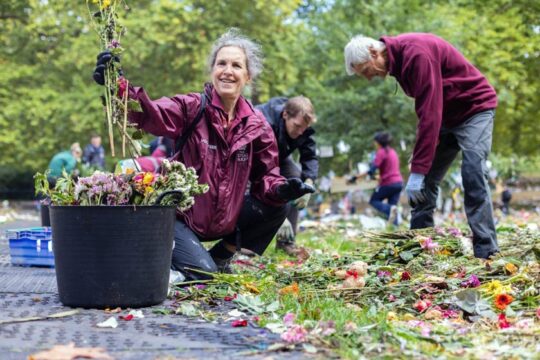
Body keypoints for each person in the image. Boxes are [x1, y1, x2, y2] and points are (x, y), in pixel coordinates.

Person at [93, 28, 314, 280]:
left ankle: (221, 255)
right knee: (203, 274)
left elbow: (267, 176)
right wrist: (120, 87)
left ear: (248, 76)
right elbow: (151, 114)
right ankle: (171, 254)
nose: (227, 71)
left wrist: (281, 189)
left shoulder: (258, 125)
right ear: (212, 70)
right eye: (221, 63)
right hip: (180, 218)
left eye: (236, 65)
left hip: (224, 220)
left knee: (278, 206)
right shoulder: (191, 107)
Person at [344, 33, 499, 259]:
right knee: (424, 181)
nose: (369, 78)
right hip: (445, 117)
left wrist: (418, 167)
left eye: (367, 71)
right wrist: (420, 164)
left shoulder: (416, 53)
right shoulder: (398, 63)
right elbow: (427, 111)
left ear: (374, 53)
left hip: (474, 109)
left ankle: (486, 251)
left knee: (473, 171)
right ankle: (420, 248)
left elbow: (429, 110)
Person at [255, 96, 318, 255]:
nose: (300, 132)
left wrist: (309, 183)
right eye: (296, 126)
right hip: (255, 161)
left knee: (295, 179)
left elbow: (309, 156)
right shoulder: (262, 122)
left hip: (280, 157)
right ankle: (247, 245)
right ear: (285, 115)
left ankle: (286, 242)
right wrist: (280, 217)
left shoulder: (302, 125)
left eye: (304, 128)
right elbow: (260, 171)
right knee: (265, 188)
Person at [354, 132, 403, 225]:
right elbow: (390, 169)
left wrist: (357, 177)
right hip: (398, 183)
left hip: (389, 183)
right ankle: (395, 229)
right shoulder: (393, 151)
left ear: (377, 142)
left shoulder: (381, 152)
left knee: (374, 200)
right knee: (393, 207)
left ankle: (390, 209)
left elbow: (372, 169)